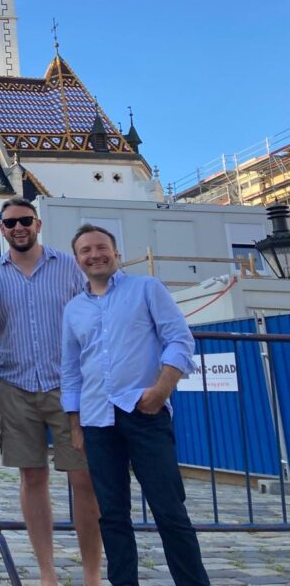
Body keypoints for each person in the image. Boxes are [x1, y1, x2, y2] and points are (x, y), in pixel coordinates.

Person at [62, 224, 210, 586]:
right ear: (77, 259)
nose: (94, 255)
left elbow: (178, 339)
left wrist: (162, 388)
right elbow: (70, 369)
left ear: (115, 253)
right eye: (85, 250)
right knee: (111, 515)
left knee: (169, 510)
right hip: (98, 419)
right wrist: (75, 425)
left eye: (101, 248)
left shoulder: (146, 289)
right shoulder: (74, 309)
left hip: (144, 412)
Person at [0, 198, 102, 586]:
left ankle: (91, 574)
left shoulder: (69, 267)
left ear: (37, 224)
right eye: (9, 223)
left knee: (83, 479)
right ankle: (47, 574)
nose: (18, 228)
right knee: (31, 477)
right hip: (15, 385)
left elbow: (95, 315)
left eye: (25, 221)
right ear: (1, 229)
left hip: (67, 388)